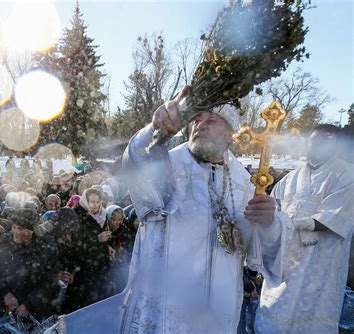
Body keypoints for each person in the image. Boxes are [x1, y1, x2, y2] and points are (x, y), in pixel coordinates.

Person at [119, 88, 282, 332]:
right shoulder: (166, 163)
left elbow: (257, 250)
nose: (200, 125)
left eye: (211, 120)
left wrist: (270, 222)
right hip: (164, 306)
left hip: (218, 314)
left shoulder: (245, 183)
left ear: (230, 135)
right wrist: (156, 130)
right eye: (197, 119)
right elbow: (135, 160)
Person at [255, 124, 354, 333]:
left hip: (321, 265)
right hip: (285, 261)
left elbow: (334, 219)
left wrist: (287, 222)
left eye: (326, 140)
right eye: (314, 139)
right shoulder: (289, 179)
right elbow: (272, 218)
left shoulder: (347, 175)